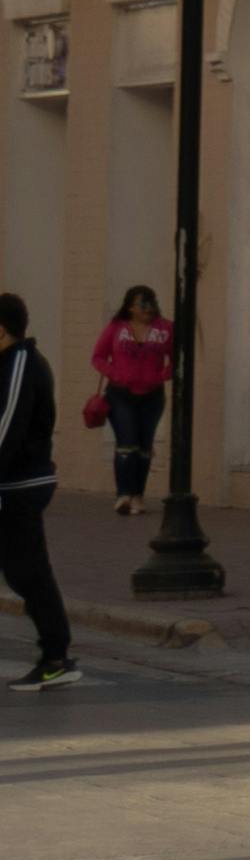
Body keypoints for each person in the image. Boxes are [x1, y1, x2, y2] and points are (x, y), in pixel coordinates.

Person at [2, 291, 66, 689]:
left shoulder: (23, 363)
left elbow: (7, 429)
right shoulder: (7, 363)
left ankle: (57, 658)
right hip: (11, 481)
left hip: (22, 484)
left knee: (28, 572)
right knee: (24, 572)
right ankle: (56, 652)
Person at [88, 282, 170, 518]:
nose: (148, 309)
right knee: (126, 443)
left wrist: (161, 375)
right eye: (143, 304)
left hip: (152, 396)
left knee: (144, 447)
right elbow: (98, 357)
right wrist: (116, 374)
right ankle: (124, 494)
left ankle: (138, 496)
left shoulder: (165, 329)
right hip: (121, 394)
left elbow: (177, 358)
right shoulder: (116, 328)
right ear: (131, 307)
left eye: (151, 303)